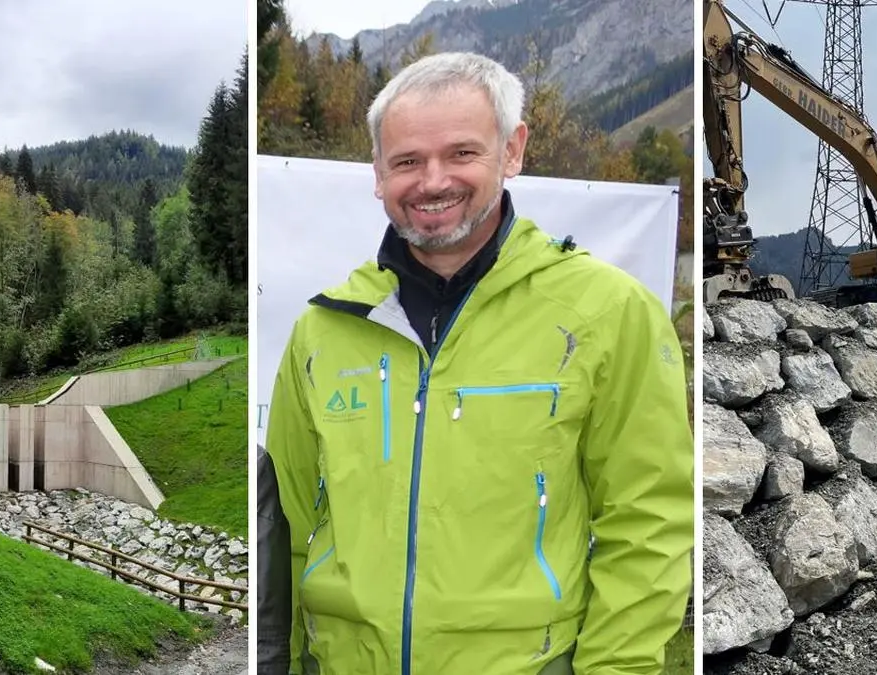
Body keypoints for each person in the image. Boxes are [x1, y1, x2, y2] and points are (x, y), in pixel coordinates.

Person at [261, 51, 693, 675]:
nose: (433, 181)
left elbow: (647, 522)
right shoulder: (322, 331)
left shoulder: (608, 313)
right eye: (407, 161)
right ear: (378, 173)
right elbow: (289, 527)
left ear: (512, 151)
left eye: (461, 153)